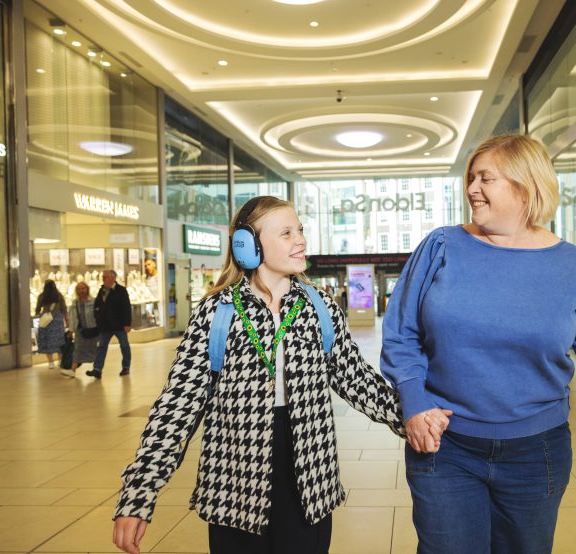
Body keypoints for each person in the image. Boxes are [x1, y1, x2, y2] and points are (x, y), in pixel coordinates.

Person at [111, 196, 449, 554]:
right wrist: (138, 493)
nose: (300, 239)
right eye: (286, 233)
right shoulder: (217, 313)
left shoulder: (318, 307)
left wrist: (411, 415)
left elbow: (357, 380)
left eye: (300, 230)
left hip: (308, 480)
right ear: (247, 246)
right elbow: (177, 407)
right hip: (234, 485)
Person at [381, 134, 576, 554]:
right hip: (445, 446)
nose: (471, 189)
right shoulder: (441, 247)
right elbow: (401, 331)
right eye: (471, 178)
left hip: (537, 454)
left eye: (485, 178)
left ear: (525, 185)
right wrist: (414, 400)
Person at [87, 270, 132, 379]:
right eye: (103, 277)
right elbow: (97, 305)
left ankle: (126, 366)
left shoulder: (121, 290)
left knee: (124, 345)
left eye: (105, 277)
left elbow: (126, 307)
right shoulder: (101, 290)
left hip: (119, 324)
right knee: (102, 346)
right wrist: (97, 318)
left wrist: (127, 323)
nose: (103, 279)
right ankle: (97, 369)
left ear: (113, 278)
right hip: (105, 325)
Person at [64, 281, 98, 378]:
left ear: (87, 289)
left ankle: (97, 369)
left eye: (83, 288)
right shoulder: (75, 303)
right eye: (79, 289)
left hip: (92, 329)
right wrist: (71, 330)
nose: (81, 291)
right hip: (81, 330)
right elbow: (73, 317)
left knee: (94, 349)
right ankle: (72, 370)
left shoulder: (93, 301)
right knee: (77, 350)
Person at [34, 279, 68, 369]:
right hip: (57, 320)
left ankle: (50, 362)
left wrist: (40, 314)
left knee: (47, 341)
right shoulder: (59, 296)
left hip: (46, 321)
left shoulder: (42, 296)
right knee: (59, 341)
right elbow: (64, 308)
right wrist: (67, 320)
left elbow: (37, 309)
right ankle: (60, 360)